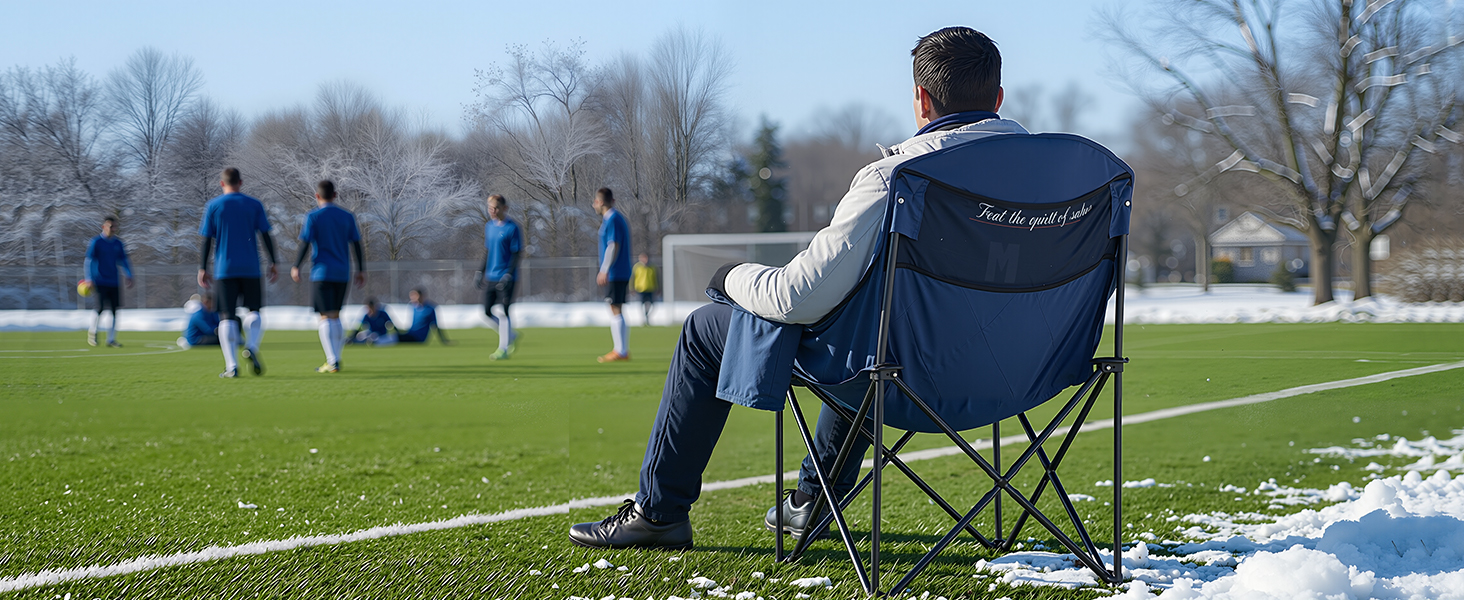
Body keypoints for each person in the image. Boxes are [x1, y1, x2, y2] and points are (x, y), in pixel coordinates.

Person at [570, 26, 1021, 550]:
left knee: (706, 329)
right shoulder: (1070, 179)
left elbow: (796, 298)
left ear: (921, 100)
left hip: (908, 380)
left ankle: (659, 512)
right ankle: (811, 501)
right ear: (998, 98)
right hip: (1018, 376)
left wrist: (732, 278)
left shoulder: (897, 178)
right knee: (873, 329)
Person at [198, 167, 279, 378]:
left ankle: (232, 366)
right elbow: (266, 234)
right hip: (251, 267)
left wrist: (202, 267)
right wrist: (273, 262)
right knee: (254, 311)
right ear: (240, 183)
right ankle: (251, 346)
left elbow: (207, 239)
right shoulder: (254, 204)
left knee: (227, 316)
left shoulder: (213, 206)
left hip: (225, 269)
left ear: (221, 183)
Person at [291, 180, 365, 374]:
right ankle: (336, 358)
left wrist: (296, 266)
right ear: (335, 194)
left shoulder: (313, 216)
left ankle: (332, 361)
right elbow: (356, 244)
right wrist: (361, 269)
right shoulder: (347, 216)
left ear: (317, 196)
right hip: (342, 272)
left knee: (325, 317)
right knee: (336, 315)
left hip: (321, 272)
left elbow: (305, 243)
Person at [476, 194, 522, 360]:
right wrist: (480, 272)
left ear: (504, 208)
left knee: (504, 311)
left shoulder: (513, 228)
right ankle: (511, 334)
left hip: (506, 276)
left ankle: (503, 348)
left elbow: (517, 253)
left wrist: (508, 274)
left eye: (495, 208)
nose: (492, 211)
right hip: (491, 275)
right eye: (490, 208)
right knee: (487, 311)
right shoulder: (489, 226)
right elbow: (488, 252)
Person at [593, 187, 632, 362]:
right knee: (616, 308)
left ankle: (621, 351)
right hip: (618, 271)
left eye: (595, 201)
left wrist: (604, 269)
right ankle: (621, 350)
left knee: (615, 308)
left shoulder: (613, 219)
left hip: (616, 272)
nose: (593, 205)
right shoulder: (612, 219)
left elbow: (612, 245)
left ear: (600, 202)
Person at [83, 217, 134, 347]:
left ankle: (111, 339)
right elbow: (89, 260)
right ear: (103, 227)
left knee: (114, 310)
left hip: (114, 281)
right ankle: (93, 333)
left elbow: (123, 260)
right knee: (99, 308)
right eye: (110, 226)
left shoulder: (118, 243)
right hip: (99, 280)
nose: (113, 229)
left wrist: (129, 275)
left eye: (115, 227)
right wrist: (89, 279)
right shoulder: (96, 242)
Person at [632, 253, 658, 326]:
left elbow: (656, 278)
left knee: (651, 304)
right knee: (642, 304)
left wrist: (658, 287)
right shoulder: (637, 267)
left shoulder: (652, 267)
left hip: (650, 288)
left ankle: (647, 315)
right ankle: (643, 318)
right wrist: (632, 288)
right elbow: (633, 278)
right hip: (640, 289)